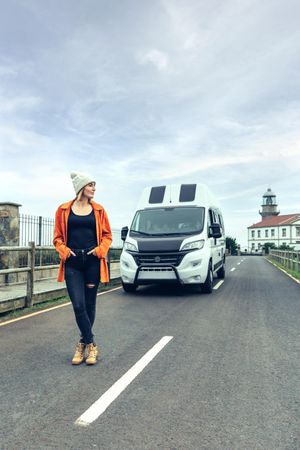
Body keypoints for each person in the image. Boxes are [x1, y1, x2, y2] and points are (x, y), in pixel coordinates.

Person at [53, 172, 112, 365]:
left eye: (95, 185)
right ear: (81, 188)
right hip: (73, 263)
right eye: (91, 185)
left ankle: (82, 345)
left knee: (89, 304)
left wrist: (99, 250)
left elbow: (107, 236)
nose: (94, 188)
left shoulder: (99, 210)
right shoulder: (63, 210)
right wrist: (65, 251)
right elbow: (57, 238)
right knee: (78, 305)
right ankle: (91, 344)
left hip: (93, 262)